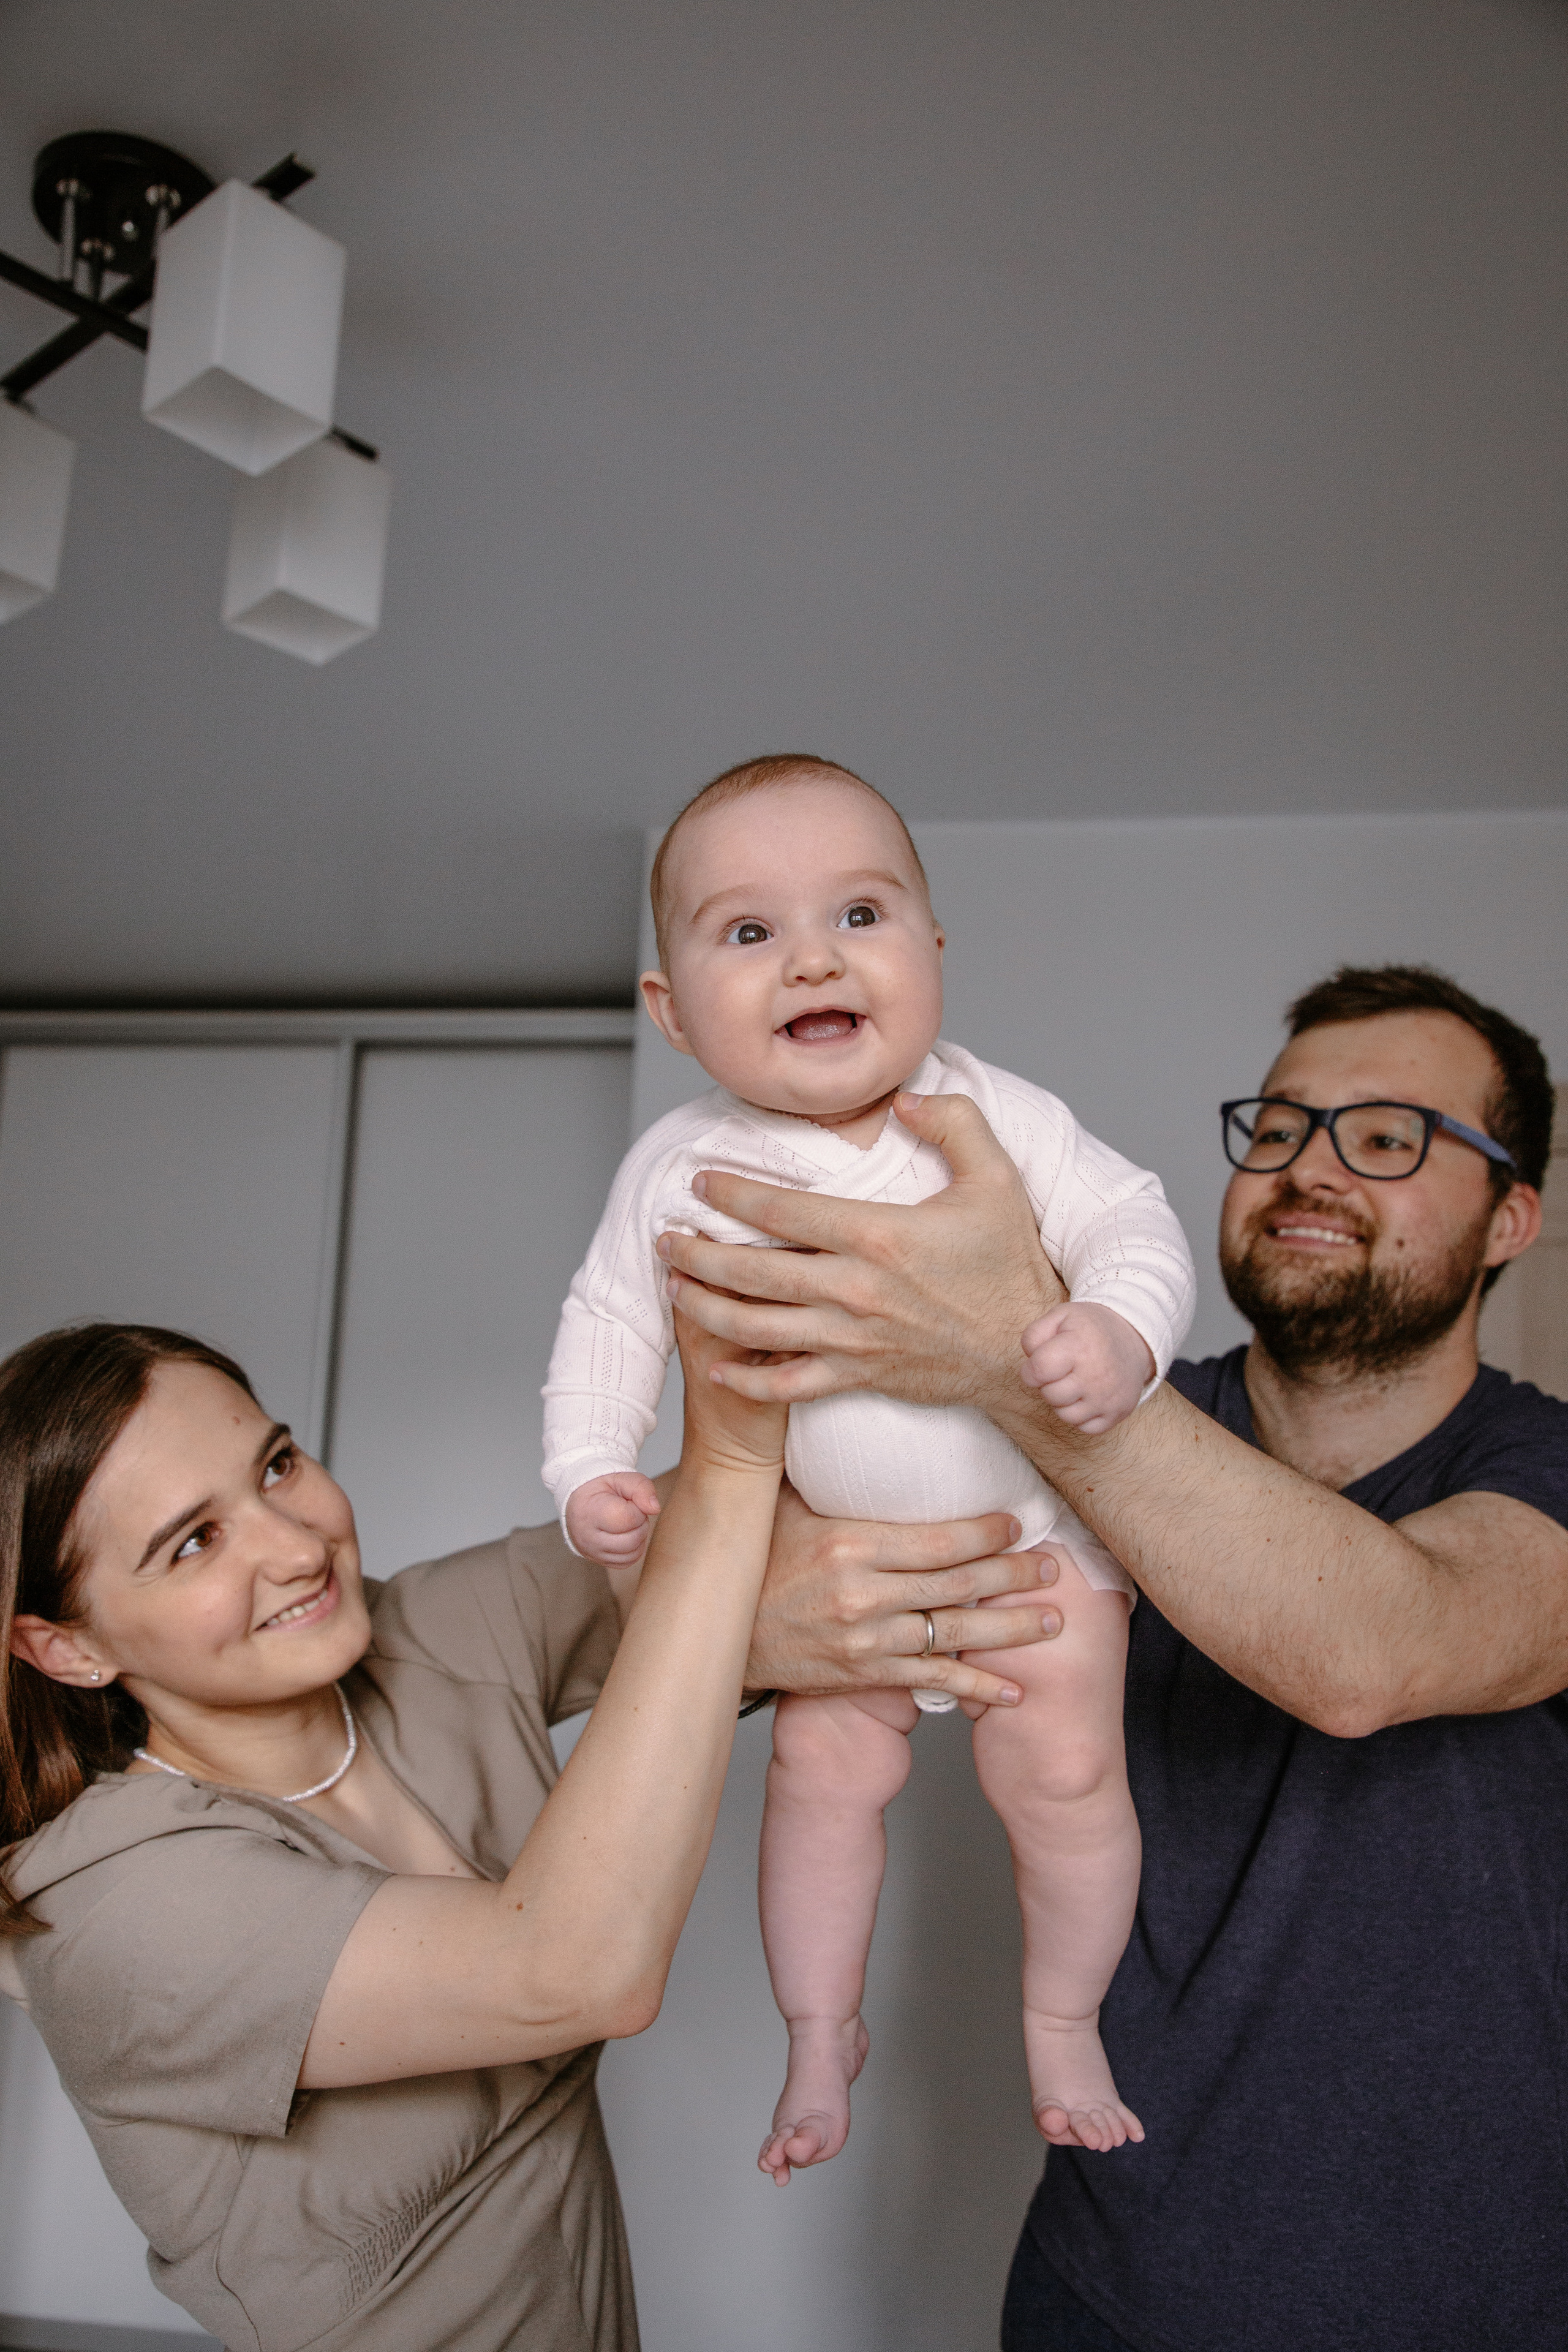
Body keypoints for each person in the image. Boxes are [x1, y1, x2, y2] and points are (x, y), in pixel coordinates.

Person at [653, 962, 1568, 2352]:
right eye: (1275, 1128)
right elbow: (641, 1602)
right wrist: (760, 1621)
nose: (1306, 1171)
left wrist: (997, 1359)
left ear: (1510, 1217)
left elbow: (1373, 1651)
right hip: (1109, 2292)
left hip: (1474, 2305)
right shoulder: (1092, 1424)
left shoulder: (1543, 1469)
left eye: (1384, 1138)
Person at [0, 1315, 1057, 2351]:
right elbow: (573, 1967)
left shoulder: (430, 1639)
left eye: (276, 1466)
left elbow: (793, 1500)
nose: (294, 1546)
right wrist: (729, 1480)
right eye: (194, 1542)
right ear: (65, 1648)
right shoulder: (115, 1914)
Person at [543, 755, 1196, 2180]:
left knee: (1070, 1776)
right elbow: (607, 1320)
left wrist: (1117, 1334)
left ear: (931, 954)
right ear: (669, 1010)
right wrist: (589, 1465)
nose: (812, 960)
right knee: (817, 1785)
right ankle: (813, 2029)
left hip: (1031, 1546)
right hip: (839, 1564)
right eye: (747, 932)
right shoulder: (677, 1165)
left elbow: (1136, 1224)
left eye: (858, 914)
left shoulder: (991, 1115)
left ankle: (1060, 2016)